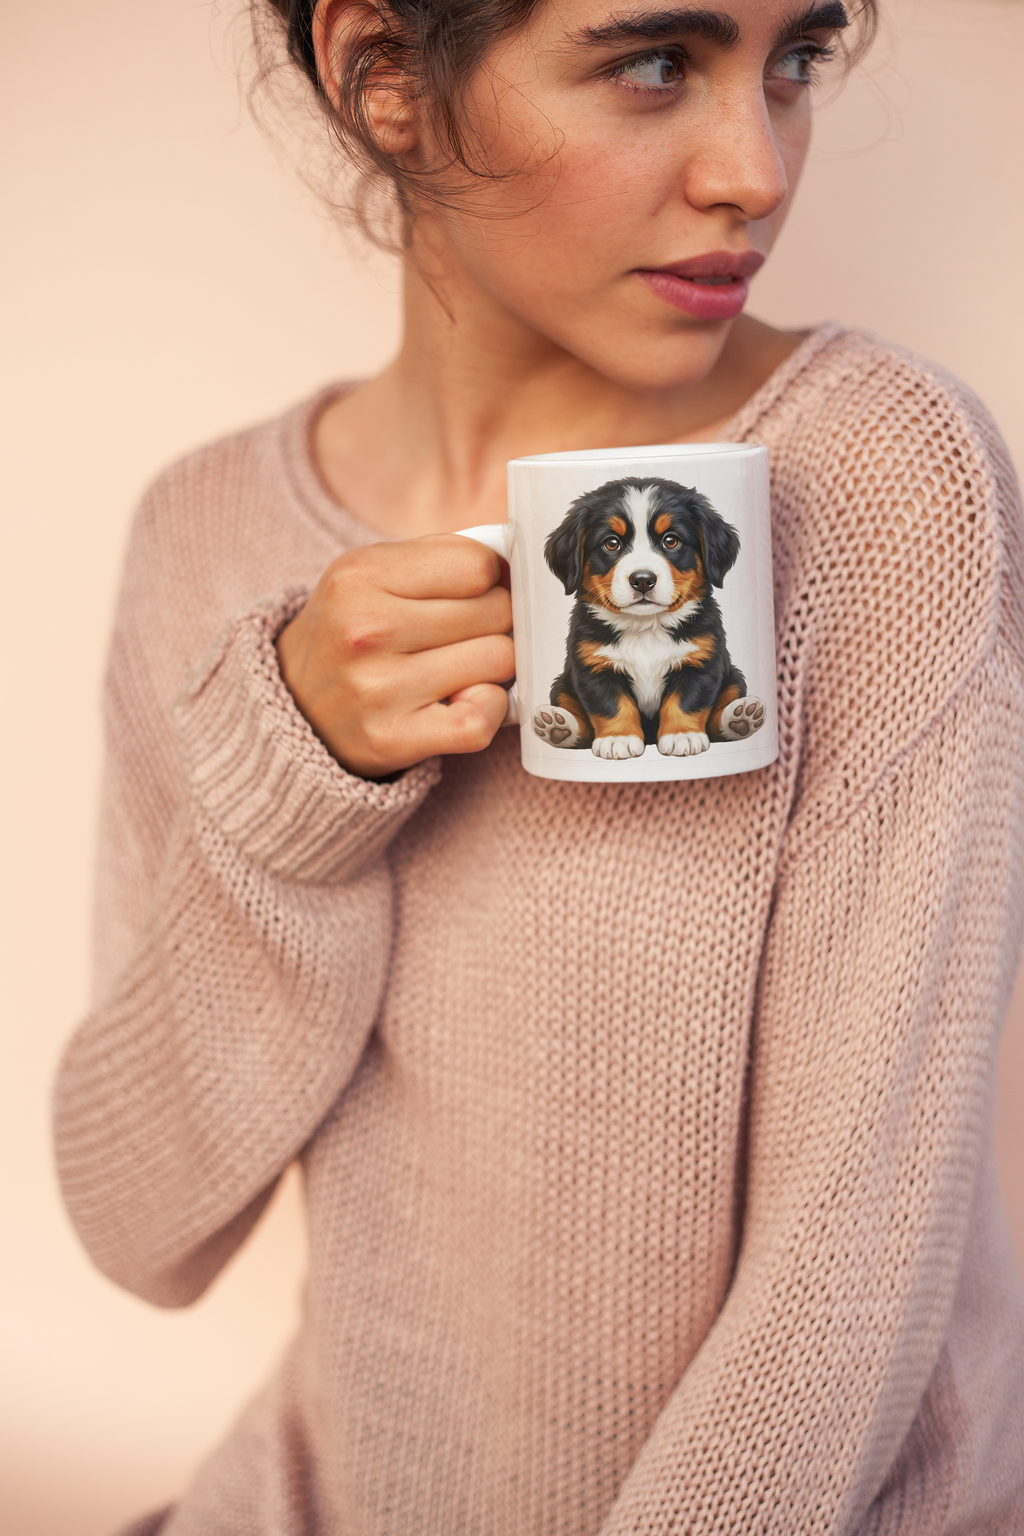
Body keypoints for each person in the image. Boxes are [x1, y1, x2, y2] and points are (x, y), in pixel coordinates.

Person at [53, 0, 1024, 1531]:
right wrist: (290, 789)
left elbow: (857, 1258)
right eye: (655, 62)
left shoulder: (882, 478)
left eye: (798, 60)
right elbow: (137, 1225)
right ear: (380, 72)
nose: (755, 170)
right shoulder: (206, 533)